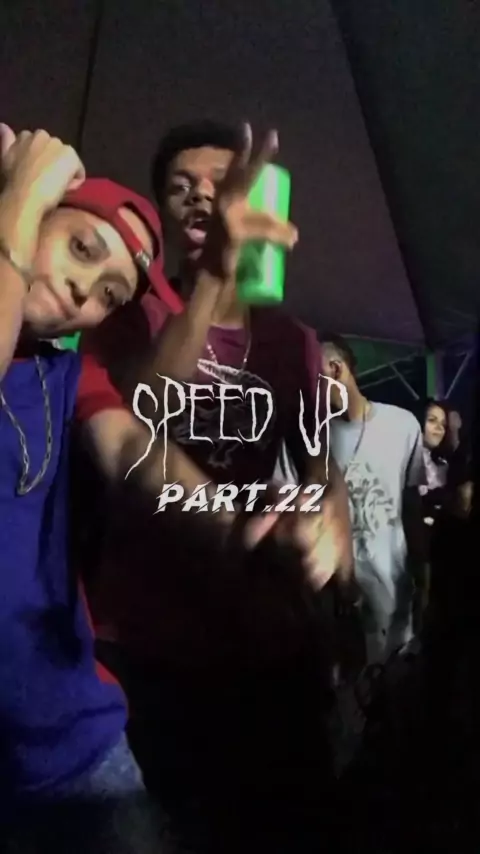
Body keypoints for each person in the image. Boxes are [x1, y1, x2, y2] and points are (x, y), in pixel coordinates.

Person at [0, 123, 281, 852]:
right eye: (80, 248)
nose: (81, 292)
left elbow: (133, 443)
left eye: (108, 294)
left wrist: (228, 521)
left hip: (69, 743)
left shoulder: (66, 375)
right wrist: (19, 200)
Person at [80, 120, 353, 850]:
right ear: (164, 211)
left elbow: (318, 469)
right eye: (183, 188)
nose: (204, 197)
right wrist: (212, 279)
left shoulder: (293, 341)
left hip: (263, 643)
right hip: (146, 645)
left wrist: (329, 523)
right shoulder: (121, 312)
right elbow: (136, 425)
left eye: (223, 185)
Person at [319, 333, 427, 666]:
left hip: (393, 595)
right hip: (337, 603)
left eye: (310, 375)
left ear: (336, 369)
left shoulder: (403, 426)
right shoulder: (309, 437)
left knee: (397, 684)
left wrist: (424, 575)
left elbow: (411, 507)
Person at [418, 399, 450, 528]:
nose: (440, 428)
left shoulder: (443, 464)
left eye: (443, 424)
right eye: (432, 420)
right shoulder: (404, 460)